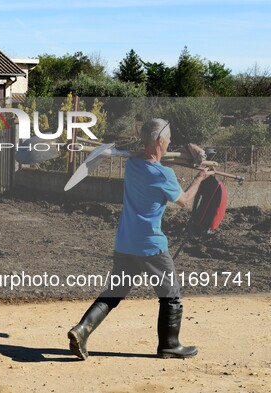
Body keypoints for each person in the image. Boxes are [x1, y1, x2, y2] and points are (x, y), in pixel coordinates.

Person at [67, 118, 214, 360]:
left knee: (115, 291)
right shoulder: (163, 174)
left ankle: (82, 330)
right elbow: (185, 201)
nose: (169, 143)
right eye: (167, 139)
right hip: (150, 245)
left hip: (125, 242)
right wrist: (199, 179)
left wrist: (189, 147)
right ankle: (170, 344)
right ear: (159, 141)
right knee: (171, 294)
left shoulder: (132, 163)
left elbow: (151, 155)